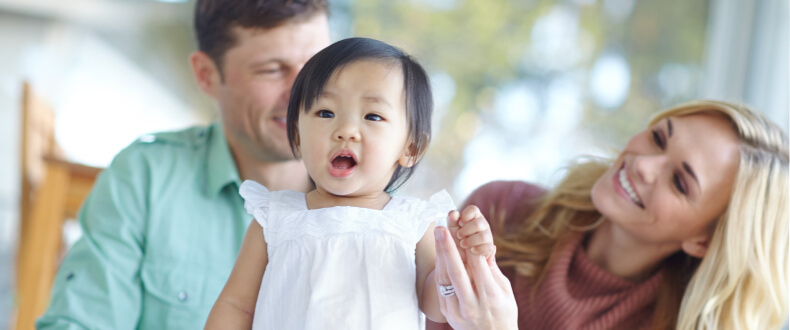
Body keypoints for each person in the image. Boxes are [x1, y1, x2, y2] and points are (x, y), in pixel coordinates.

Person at [36, 0, 330, 328]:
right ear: (206, 75)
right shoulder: (146, 178)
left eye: (318, 67)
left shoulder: (380, 207)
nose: (306, 93)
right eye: (273, 70)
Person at [204, 37, 496, 329]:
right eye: (326, 113)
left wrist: (459, 266)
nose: (345, 130)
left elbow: (437, 308)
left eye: (372, 116)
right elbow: (237, 306)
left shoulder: (413, 224)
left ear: (410, 148)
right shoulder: (275, 218)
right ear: (297, 136)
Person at [427, 100, 789, 329]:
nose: (644, 165)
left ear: (703, 240)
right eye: (659, 138)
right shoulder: (501, 213)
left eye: (679, 182)